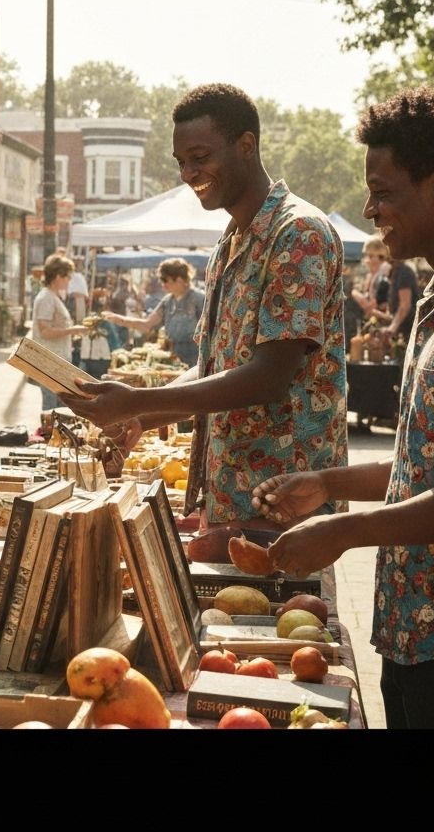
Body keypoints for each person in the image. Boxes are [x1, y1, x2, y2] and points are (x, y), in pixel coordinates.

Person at [254, 84, 434, 729]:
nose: (370, 207)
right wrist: (329, 484)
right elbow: (432, 466)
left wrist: (344, 531)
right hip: (417, 626)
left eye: (383, 192)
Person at [63, 83, 347, 558]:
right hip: (232, 498)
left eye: (199, 156)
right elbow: (215, 365)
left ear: (247, 146)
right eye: (181, 161)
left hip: (280, 503)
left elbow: (269, 376)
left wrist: (141, 400)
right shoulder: (230, 240)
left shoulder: (297, 232)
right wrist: (142, 414)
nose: (189, 173)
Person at [102, 257, 205, 368]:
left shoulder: (200, 300)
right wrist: (118, 319)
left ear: (179, 279)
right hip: (175, 361)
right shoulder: (167, 301)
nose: (162, 284)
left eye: (165, 279)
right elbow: (147, 325)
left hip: (196, 361)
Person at [30, 253, 87, 410]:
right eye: (67, 276)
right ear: (57, 276)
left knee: (58, 407)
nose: (69, 280)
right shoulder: (46, 297)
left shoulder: (52, 296)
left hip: (57, 361)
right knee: (51, 408)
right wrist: (72, 330)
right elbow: (45, 332)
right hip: (50, 362)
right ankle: (49, 435)